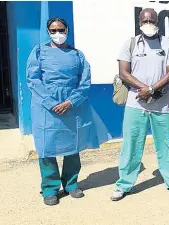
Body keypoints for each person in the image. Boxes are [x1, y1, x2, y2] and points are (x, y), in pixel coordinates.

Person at [26, 18, 110, 206]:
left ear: (67, 30)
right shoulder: (39, 51)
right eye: (53, 30)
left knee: (73, 146)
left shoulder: (77, 55)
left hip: (72, 106)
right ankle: (50, 188)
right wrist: (50, 102)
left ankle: (71, 184)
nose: (57, 33)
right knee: (47, 148)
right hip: (45, 107)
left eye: (61, 29)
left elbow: (84, 81)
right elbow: (33, 80)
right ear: (48, 32)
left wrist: (71, 102)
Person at [110, 8, 169, 201]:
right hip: (135, 104)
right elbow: (123, 72)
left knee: (167, 144)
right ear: (139, 23)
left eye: (152, 20)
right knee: (131, 145)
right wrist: (144, 88)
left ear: (158, 22)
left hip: (162, 105)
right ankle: (124, 184)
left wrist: (151, 89)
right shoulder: (130, 44)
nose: (148, 23)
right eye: (145, 21)